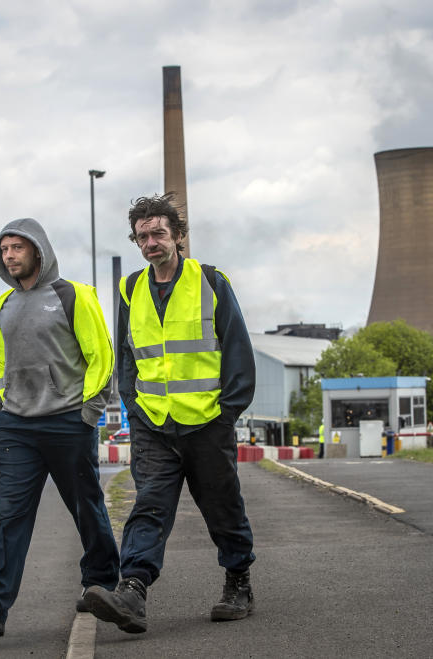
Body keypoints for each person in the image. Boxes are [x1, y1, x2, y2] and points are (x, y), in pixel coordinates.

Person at [84, 193, 257, 634]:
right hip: (154, 426)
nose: (150, 243)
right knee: (149, 507)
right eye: (142, 236)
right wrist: (135, 407)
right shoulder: (130, 289)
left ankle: (238, 580)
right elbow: (127, 356)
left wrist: (226, 413)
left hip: (206, 423)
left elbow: (237, 349)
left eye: (158, 233)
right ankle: (133, 592)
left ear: (178, 237)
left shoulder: (211, 282)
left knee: (222, 507)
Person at [0, 218, 119, 637]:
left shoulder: (73, 295)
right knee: (5, 514)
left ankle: (101, 582)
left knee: (86, 507)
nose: (9, 256)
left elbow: (102, 357)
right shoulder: (2, 305)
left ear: (38, 250)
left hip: (67, 422)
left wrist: (89, 412)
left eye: (17, 248)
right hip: (15, 428)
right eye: (4, 249)